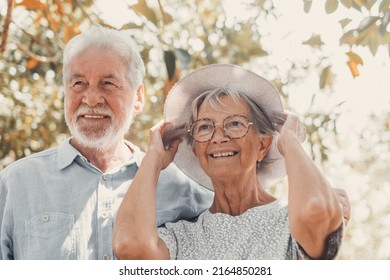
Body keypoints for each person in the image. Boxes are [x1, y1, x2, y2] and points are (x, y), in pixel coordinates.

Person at [0, 26, 214, 260]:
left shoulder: (183, 187)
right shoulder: (16, 183)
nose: (91, 99)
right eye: (78, 83)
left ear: (138, 98)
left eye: (108, 84)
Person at [113, 64, 347, 260]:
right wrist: (153, 159)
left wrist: (290, 141)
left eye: (235, 123)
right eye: (204, 127)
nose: (219, 137)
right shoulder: (182, 237)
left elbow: (316, 209)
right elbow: (129, 246)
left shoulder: (289, 220)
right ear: (196, 149)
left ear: (263, 145)